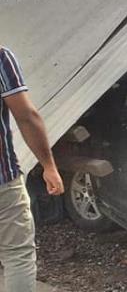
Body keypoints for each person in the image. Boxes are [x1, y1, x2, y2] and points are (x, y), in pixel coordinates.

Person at [0, 46, 64, 292]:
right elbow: (26, 116)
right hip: (3, 181)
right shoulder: (1, 57)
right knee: (17, 255)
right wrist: (49, 165)